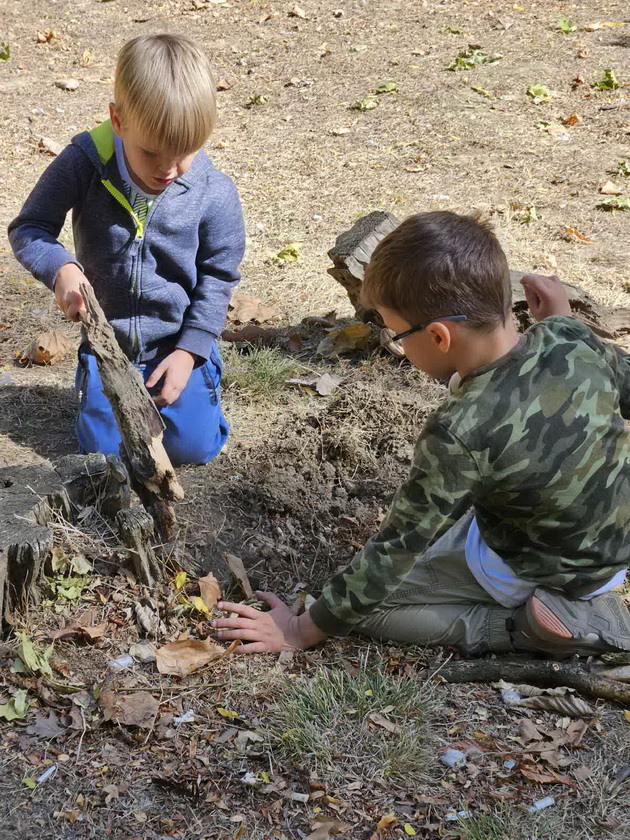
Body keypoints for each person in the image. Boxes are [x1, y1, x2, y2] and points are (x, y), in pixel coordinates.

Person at [212, 211, 630, 657]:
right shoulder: (570, 337)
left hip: (530, 568)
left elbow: (397, 549)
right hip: (609, 550)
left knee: (361, 608)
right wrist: (562, 324)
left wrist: (300, 630)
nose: (396, 344)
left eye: (396, 333)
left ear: (437, 336)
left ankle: (520, 627)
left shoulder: (460, 429)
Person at [8, 34, 245, 466]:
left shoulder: (213, 191)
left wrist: (190, 351)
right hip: (108, 346)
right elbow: (30, 227)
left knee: (193, 449)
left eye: (186, 152)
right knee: (107, 456)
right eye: (152, 152)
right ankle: (96, 388)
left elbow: (219, 276)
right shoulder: (84, 162)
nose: (169, 169)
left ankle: (200, 387)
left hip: (174, 344)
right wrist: (59, 267)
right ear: (118, 121)